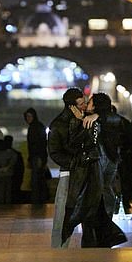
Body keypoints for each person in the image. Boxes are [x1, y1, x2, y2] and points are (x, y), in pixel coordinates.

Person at [61, 93, 127, 248]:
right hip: (109, 168)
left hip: (97, 170)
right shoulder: (108, 121)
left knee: (91, 204)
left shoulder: (94, 121)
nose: (86, 105)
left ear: (96, 105)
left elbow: (75, 141)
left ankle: (95, 240)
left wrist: (85, 119)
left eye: (89, 102)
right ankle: (103, 237)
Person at [48, 88, 86, 248]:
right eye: (81, 103)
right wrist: (74, 163)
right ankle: (58, 249)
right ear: (72, 106)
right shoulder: (59, 125)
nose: (84, 106)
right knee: (62, 215)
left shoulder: (85, 121)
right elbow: (55, 152)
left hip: (85, 172)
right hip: (69, 173)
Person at [25, 108, 49, 204]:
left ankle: (37, 200)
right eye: (27, 117)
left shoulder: (34, 128)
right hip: (38, 157)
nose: (28, 119)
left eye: (29, 116)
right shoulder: (37, 126)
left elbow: (38, 144)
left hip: (37, 157)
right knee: (39, 179)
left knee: (36, 180)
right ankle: (40, 199)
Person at [0, 133, 18, 204]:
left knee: (0, 193)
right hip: (8, 173)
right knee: (8, 193)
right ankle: (7, 208)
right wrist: (8, 167)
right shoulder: (8, 148)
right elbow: (14, 157)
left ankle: (0, 209)